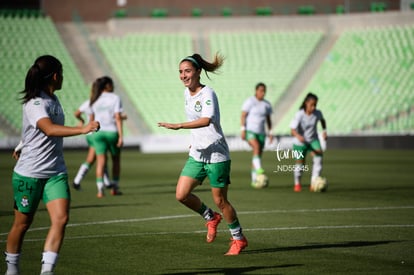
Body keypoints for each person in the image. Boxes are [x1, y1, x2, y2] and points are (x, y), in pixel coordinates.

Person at [4, 55, 100, 275]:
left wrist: (22, 143)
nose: (63, 78)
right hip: (29, 174)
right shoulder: (35, 102)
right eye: (62, 74)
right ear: (55, 76)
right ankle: (11, 269)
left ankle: (47, 271)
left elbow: (34, 130)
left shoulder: (53, 99)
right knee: (22, 224)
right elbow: (48, 129)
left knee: (61, 218)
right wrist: (83, 129)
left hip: (55, 172)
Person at [158, 53, 248, 255]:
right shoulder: (185, 94)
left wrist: (179, 125)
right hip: (198, 154)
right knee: (181, 194)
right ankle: (210, 217)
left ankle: (238, 238)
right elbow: (198, 127)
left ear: (198, 72)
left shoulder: (208, 94)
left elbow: (207, 120)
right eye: (180, 72)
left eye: (187, 71)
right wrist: (194, 142)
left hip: (217, 155)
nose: (183, 75)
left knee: (221, 201)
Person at [72, 82, 112, 190]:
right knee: (99, 158)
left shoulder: (89, 103)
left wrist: (81, 120)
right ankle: (104, 183)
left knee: (94, 158)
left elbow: (77, 113)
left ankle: (78, 181)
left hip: (91, 133)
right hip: (95, 133)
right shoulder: (98, 103)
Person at [89, 76, 123, 198]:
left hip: (98, 133)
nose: (113, 86)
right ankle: (114, 187)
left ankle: (100, 190)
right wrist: (121, 136)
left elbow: (91, 119)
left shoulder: (94, 98)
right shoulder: (115, 98)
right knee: (115, 160)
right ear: (107, 85)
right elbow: (118, 117)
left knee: (101, 161)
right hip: (111, 132)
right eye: (112, 84)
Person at [290, 92, 327, 192]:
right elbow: (292, 130)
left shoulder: (317, 113)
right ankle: (297, 183)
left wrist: (324, 131)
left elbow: (322, 120)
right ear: (306, 103)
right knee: (300, 164)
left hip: (313, 140)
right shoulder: (299, 114)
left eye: (315, 105)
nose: (313, 107)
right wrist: (298, 136)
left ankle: (314, 182)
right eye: (312, 105)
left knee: (319, 157)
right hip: (299, 142)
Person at [240, 82, 273, 185]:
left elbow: (268, 119)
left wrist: (270, 132)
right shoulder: (250, 102)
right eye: (261, 91)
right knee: (256, 147)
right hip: (251, 131)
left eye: (264, 91)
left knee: (257, 154)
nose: (263, 93)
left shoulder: (267, 104)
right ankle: (259, 170)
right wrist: (243, 129)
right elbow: (243, 115)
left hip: (261, 133)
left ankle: (255, 180)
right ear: (256, 91)